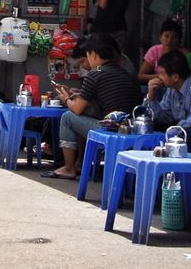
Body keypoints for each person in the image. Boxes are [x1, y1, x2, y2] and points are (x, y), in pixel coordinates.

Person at [49, 33, 140, 178]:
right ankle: (79, 163)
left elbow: (77, 109)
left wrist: (66, 99)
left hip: (111, 130)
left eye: (87, 55)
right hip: (131, 129)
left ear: (94, 55)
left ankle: (68, 168)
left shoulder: (94, 74)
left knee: (67, 117)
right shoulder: (124, 72)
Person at [145, 49, 191, 129]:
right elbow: (162, 117)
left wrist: (172, 132)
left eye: (161, 73)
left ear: (175, 77)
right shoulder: (171, 89)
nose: (159, 77)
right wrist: (151, 96)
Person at [138, 19, 183, 83]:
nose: (169, 40)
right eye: (166, 36)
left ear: (179, 40)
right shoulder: (154, 51)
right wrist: (160, 77)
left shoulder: (184, 54)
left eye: (174, 37)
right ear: (160, 37)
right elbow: (141, 76)